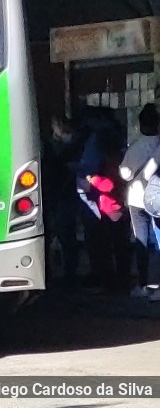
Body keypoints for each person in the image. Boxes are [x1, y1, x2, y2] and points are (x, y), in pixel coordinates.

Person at [76, 107, 123, 286]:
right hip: (106, 196)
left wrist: (90, 178)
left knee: (100, 238)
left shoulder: (101, 137)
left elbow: (103, 173)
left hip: (100, 195)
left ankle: (105, 277)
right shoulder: (113, 135)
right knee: (113, 240)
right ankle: (113, 276)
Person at [120, 104, 160, 298]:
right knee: (158, 243)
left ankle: (144, 284)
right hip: (158, 202)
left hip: (137, 199)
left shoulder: (136, 146)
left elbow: (125, 174)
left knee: (141, 242)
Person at [85, 132, 131, 292]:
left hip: (112, 210)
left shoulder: (111, 163)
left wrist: (94, 180)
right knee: (120, 247)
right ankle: (122, 279)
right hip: (117, 208)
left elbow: (109, 186)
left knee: (112, 248)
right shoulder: (120, 159)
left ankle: (113, 283)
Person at [42, 116, 82, 286]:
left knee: (59, 235)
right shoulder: (69, 147)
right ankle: (69, 273)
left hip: (56, 196)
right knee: (66, 236)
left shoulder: (50, 147)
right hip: (63, 195)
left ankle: (59, 273)